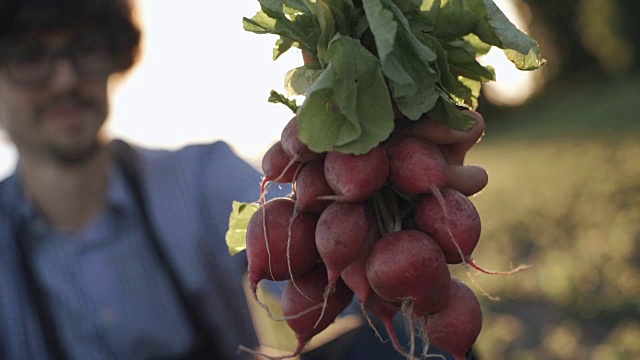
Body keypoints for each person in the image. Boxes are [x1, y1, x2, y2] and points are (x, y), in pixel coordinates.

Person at [0, 0, 488, 359]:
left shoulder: (197, 178)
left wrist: (388, 190)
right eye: (28, 56)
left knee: (422, 351)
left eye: (83, 49)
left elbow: (315, 244)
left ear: (112, 57)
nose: (64, 78)